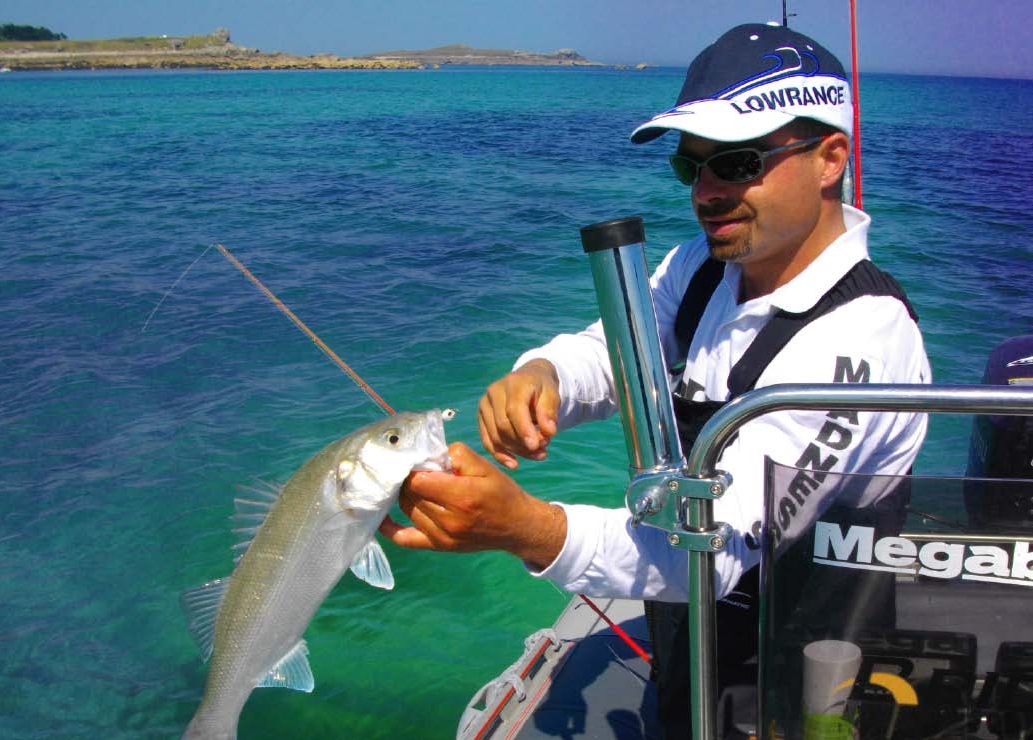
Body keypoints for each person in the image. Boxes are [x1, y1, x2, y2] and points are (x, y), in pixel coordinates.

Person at [379, 22, 931, 738]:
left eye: (735, 163)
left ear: (829, 160)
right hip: (689, 646)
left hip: (802, 681)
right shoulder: (703, 269)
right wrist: (541, 376)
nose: (706, 192)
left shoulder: (864, 340)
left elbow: (717, 549)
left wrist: (528, 530)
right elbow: (613, 354)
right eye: (690, 167)